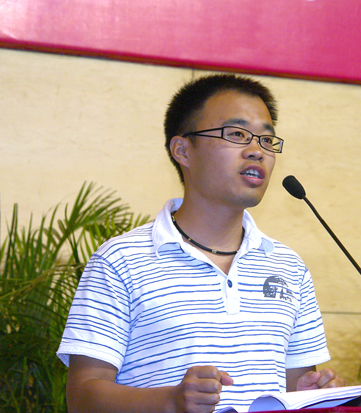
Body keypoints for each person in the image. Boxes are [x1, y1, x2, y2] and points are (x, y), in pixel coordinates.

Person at [57, 73, 344, 413]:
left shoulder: (288, 266)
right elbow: (82, 396)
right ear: (183, 150)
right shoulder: (121, 260)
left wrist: (312, 394)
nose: (257, 151)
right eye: (236, 134)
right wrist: (171, 401)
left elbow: (295, 385)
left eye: (267, 140)